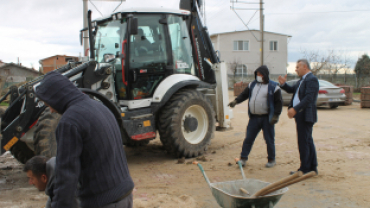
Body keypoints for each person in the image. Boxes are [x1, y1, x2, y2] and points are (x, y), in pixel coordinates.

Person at [34, 71, 134, 208]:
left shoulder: (69, 122)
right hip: (124, 194)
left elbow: (66, 177)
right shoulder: (99, 106)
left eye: (49, 104)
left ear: (56, 97)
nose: (50, 110)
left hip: (104, 201)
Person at [229, 65, 282, 168]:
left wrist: (276, 115)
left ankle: (271, 159)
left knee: (269, 139)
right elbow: (244, 95)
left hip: (267, 119)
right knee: (248, 138)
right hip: (254, 118)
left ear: (265, 75)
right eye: (257, 74)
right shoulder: (252, 85)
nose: (258, 76)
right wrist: (236, 101)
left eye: (260, 74)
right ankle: (243, 158)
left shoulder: (274, 87)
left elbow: (278, 103)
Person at [278, 59, 319, 175]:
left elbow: (308, 98)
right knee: (307, 141)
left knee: (303, 142)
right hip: (301, 115)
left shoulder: (312, 80)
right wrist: (283, 84)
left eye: (297, 67)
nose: (296, 70)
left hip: (306, 114)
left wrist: (295, 109)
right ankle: (312, 167)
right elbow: (293, 90)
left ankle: (305, 169)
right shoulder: (302, 80)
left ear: (304, 67)